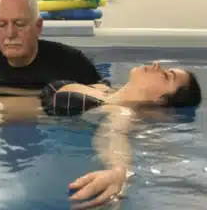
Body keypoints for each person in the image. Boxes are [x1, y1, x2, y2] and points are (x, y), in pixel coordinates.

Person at [40, 61, 202, 209]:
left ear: (160, 100)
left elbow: (114, 134)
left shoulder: (121, 112)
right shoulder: (110, 91)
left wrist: (117, 170)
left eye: (166, 76)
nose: (156, 65)